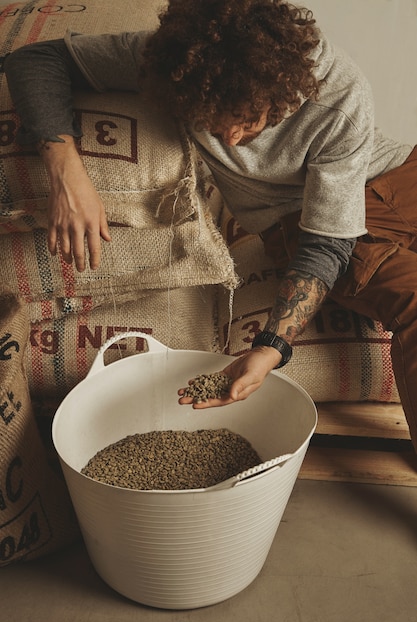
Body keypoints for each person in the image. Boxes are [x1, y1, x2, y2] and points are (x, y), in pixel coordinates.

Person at [4, 0, 417, 451]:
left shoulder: (338, 93)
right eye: (212, 127)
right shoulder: (179, 61)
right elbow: (36, 58)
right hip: (304, 220)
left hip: (398, 171)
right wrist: (67, 170)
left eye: (246, 123)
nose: (232, 140)